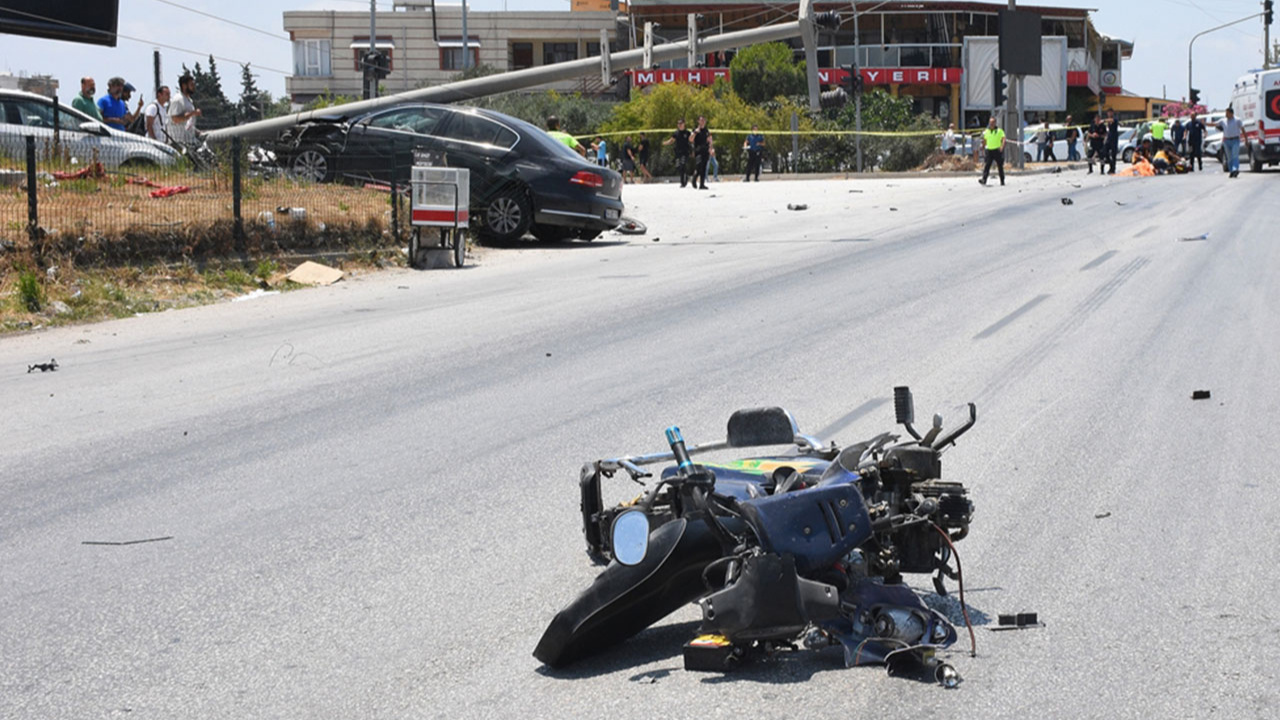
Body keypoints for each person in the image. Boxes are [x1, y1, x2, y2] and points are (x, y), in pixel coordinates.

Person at [1216, 106, 1246, 178]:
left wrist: (1246, 139)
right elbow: (1215, 124)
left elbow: (1243, 129)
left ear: (1231, 113)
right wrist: (1205, 123)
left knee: (1235, 155)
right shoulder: (1223, 121)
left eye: (1227, 113)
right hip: (1226, 141)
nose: (1226, 115)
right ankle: (1231, 170)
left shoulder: (1237, 120)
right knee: (1229, 157)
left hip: (1235, 140)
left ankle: (1235, 169)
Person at [662, 118, 693, 187]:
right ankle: (686, 176)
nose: (679, 125)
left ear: (684, 124)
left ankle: (683, 182)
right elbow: (671, 140)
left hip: (685, 152)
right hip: (678, 152)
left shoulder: (687, 133)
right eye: (678, 124)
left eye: (681, 123)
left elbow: (692, 140)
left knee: (682, 164)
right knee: (678, 166)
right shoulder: (676, 133)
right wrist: (665, 143)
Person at [978, 116, 1006, 186]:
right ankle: (984, 180)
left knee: (1000, 166)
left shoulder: (1000, 131)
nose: (991, 124)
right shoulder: (986, 131)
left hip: (997, 150)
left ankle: (1002, 180)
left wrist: (1002, 146)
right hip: (989, 150)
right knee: (987, 166)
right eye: (990, 122)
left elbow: (1003, 139)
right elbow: (985, 140)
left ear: (995, 123)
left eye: (993, 122)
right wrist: (983, 147)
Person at [691, 116, 711, 190]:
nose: (702, 122)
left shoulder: (706, 130)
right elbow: (690, 139)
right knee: (699, 166)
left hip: (705, 151)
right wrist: (695, 132)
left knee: (704, 168)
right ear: (698, 121)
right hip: (698, 151)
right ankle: (694, 178)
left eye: (704, 120)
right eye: (701, 120)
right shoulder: (695, 130)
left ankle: (702, 184)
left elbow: (709, 140)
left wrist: (711, 149)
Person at [1104, 110, 1120, 175]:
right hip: (1109, 138)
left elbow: (1112, 120)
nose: (1109, 114)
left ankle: (1113, 168)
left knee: (1113, 154)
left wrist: (1104, 120)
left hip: (1114, 139)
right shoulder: (1109, 121)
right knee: (1104, 151)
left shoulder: (1115, 119)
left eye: (1110, 112)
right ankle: (1111, 165)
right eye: (1108, 112)